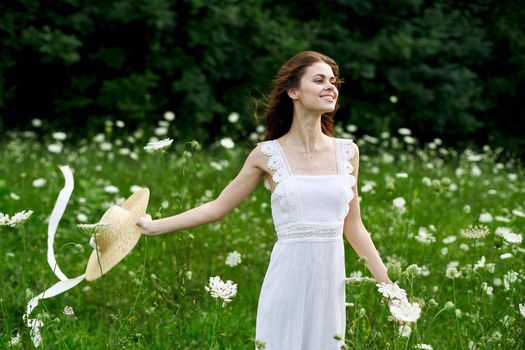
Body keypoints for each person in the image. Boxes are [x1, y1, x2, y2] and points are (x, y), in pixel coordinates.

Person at [136, 51, 394, 349]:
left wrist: (390, 290)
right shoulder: (267, 154)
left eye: (333, 81)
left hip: (328, 289)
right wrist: (155, 226)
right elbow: (216, 208)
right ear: (294, 91)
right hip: (287, 281)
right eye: (319, 80)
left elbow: (355, 227)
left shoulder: (347, 152)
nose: (330, 87)